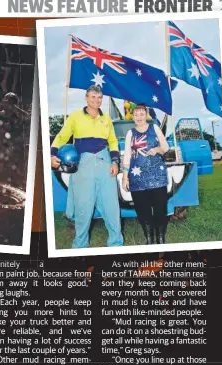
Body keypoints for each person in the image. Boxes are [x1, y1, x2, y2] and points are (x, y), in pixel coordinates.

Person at [50, 85, 122, 249]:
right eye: (93, 97)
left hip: (105, 163)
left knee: (111, 206)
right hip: (83, 164)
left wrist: (115, 161)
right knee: (83, 206)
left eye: (99, 98)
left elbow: (112, 141)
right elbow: (62, 137)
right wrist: (52, 154)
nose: (96, 100)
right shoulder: (75, 116)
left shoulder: (107, 119)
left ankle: (116, 243)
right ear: (86, 97)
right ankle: (80, 246)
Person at [121, 102, 172, 245]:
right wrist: (125, 177)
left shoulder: (154, 128)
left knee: (160, 208)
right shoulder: (130, 133)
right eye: (136, 114)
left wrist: (157, 150)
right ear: (132, 116)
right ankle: (149, 240)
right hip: (137, 178)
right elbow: (127, 156)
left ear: (146, 115)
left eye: (141, 114)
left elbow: (165, 146)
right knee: (142, 210)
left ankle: (160, 239)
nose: (139, 117)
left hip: (157, 175)